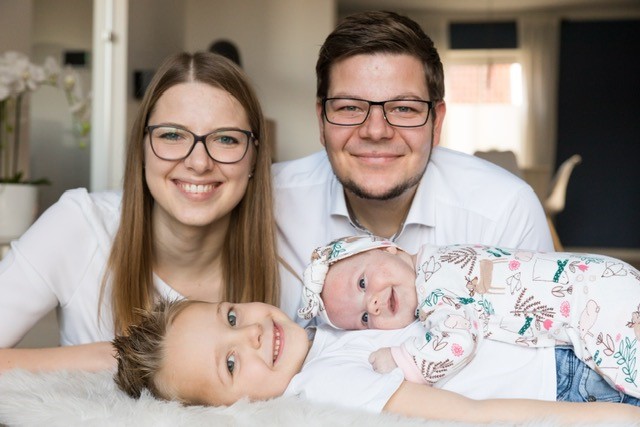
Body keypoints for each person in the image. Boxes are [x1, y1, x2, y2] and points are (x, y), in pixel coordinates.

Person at [273, 7, 555, 406]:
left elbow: (545, 372)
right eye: (350, 107)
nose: (375, 131)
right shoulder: (271, 204)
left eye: (404, 108)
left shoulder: (504, 211)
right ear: (321, 120)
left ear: (436, 122)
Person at [0, 51, 278, 373]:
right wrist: (113, 358)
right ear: (142, 148)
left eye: (226, 139)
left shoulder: (292, 250)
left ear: (255, 157)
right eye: (172, 135)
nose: (199, 162)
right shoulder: (80, 225)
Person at [111, 298, 640, 425]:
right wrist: (611, 416)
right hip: (571, 383)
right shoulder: (326, 385)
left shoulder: (319, 324)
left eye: (230, 316)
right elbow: (470, 414)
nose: (250, 332)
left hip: (568, 332)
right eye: (230, 364)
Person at [298, 234, 640, 403]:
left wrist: (403, 358)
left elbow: (459, 342)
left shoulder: (435, 286)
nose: (372, 304)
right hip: (605, 278)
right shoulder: (442, 256)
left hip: (597, 303)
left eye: (362, 283)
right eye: (363, 319)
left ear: (387, 246)